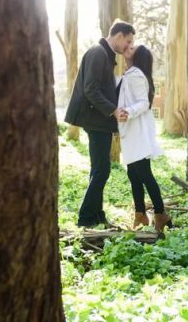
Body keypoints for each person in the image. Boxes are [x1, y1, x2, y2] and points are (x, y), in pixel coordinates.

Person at [65, 20, 135, 228]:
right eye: (128, 40)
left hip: (99, 120)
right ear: (119, 35)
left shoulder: (106, 55)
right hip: (94, 120)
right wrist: (113, 110)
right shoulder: (98, 53)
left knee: (100, 169)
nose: (129, 45)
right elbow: (91, 89)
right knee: (101, 170)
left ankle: (96, 215)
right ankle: (86, 218)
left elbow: (104, 89)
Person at [118, 45, 172, 233]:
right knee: (133, 175)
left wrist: (127, 112)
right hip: (132, 131)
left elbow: (142, 102)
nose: (128, 48)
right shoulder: (130, 73)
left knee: (144, 175)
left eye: (133, 48)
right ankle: (140, 215)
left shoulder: (137, 75)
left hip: (138, 133)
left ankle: (160, 213)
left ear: (138, 57)